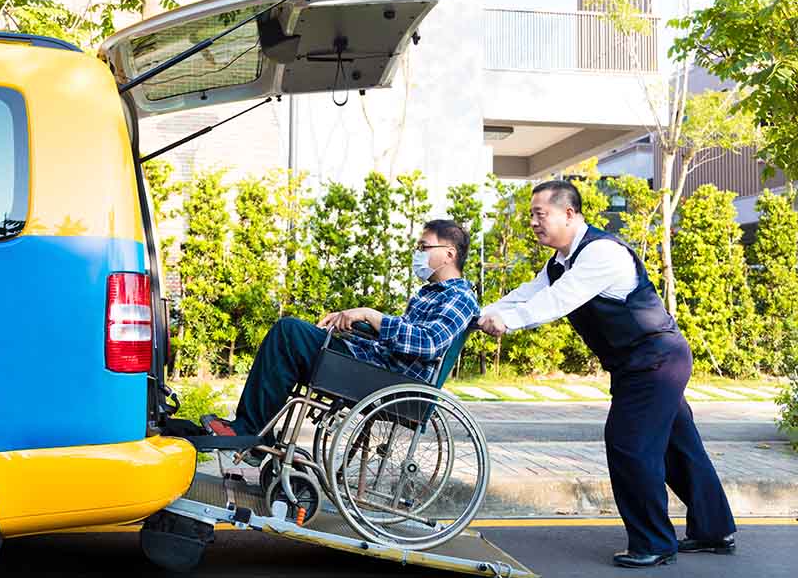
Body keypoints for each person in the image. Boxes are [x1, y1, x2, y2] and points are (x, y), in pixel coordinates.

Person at [479, 180, 736, 568]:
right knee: (679, 446)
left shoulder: (601, 253)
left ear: (569, 213)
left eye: (539, 214)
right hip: (643, 363)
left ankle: (654, 542)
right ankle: (715, 531)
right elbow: (528, 293)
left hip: (655, 361)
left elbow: (556, 301)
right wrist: (480, 313)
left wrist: (507, 323)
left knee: (630, 444)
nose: (533, 222)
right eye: (531, 215)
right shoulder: (561, 262)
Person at [202, 219, 479, 449]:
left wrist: (371, 315)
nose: (418, 252)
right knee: (296, 336)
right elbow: (396, 339)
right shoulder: (427, 294)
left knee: (289, 332)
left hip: (391, 381)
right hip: (378, 366)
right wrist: (345, 325)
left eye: (424, 246)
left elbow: (429, 343)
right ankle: (256, 433)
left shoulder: (460, 297)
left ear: (449, 254)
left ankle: (249, 432)